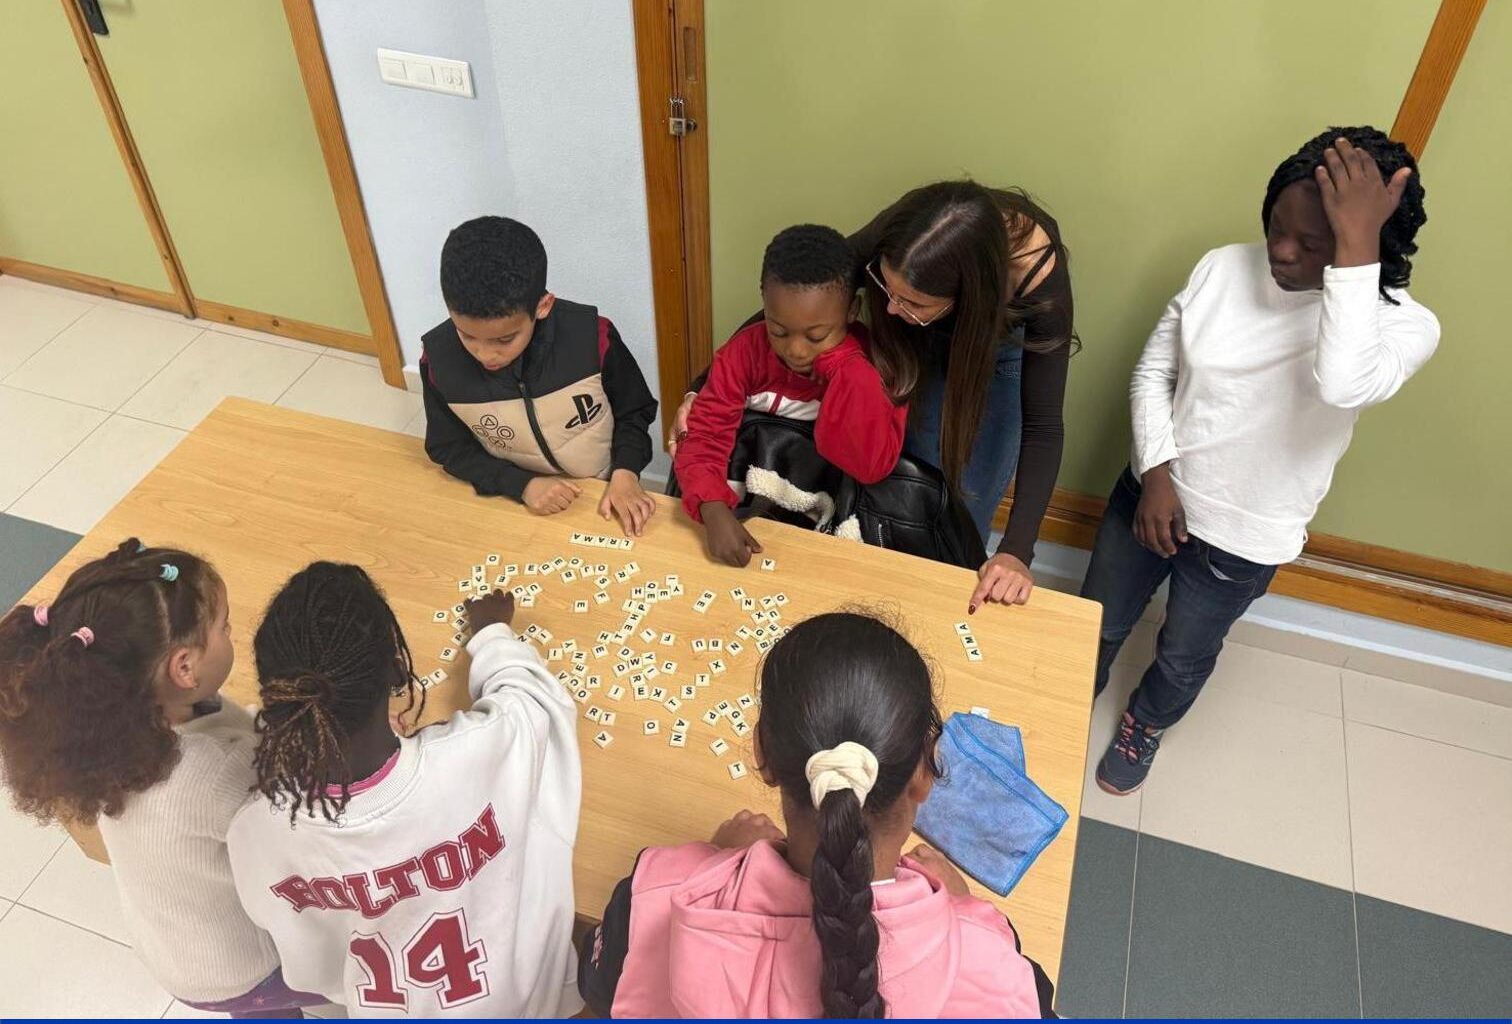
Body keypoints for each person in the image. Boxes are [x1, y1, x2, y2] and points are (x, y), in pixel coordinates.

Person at [1083, 127, 1438, 795]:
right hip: (1150, 494)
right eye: (1276, 226)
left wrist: (1356, 244)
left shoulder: (1401, 325)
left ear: (1368, 243)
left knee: (1184, 656)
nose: (1280, 251)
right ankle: (1073, 693)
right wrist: (1157, 472)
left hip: (1242, 541)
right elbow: (1155, 371)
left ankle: (1145, 722)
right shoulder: (1223, 266)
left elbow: (1342, 382)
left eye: (1312, 244)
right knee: (1096, 618)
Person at [576, 612, 1056, 1018]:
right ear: (925, 773)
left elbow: (599, 986)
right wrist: (966, 911)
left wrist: (718, 867)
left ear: (762, 754)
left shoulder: (655, 893)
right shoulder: (988, 955)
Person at [670, 181, 1075, 609]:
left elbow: (1044, 426)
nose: (888, 311)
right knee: (899, 488)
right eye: (885, 288)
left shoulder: (1038, 284)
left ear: (970, 296)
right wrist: (701, 387)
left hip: (992, 353)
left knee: (958, 514)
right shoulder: (904, 237)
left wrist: (1016, 551)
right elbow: (798, 299)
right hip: (916, 343)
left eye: (911, 301)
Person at [227, 565, 583, 1017]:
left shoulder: (256, 830)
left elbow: (311, 969)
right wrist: (492, 633)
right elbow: (535, 702)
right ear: (397, 670)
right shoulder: (479, 751)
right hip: (528, 1004)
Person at [0, 539, 322, 1018]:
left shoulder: (116, 726)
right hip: (236, 970)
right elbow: (305, 828)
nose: (232, 632)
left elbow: (234, 732)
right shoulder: (215, 774)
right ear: (185, 667)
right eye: (225, 626)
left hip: (174, 945)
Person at [675, 223, 907, 567]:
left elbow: (870, 465)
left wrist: (843, 367)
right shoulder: (744, 353)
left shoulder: (870, 365)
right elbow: (705, 434)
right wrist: (711, 506)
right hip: (745, 506)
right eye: (778, 330)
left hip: (828, 516)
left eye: (816, 336)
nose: (796, 350)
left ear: (852, 312)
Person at [421, 215, 660, 535]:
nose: (485, 354)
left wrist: (626, 472)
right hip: (513, 499)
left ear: (543, 306)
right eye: (466, 335)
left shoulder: (593, 338)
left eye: (504, 339)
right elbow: (448, 447)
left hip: (603, 487)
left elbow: (635, 411)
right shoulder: (439, 361)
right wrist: (521, 485)